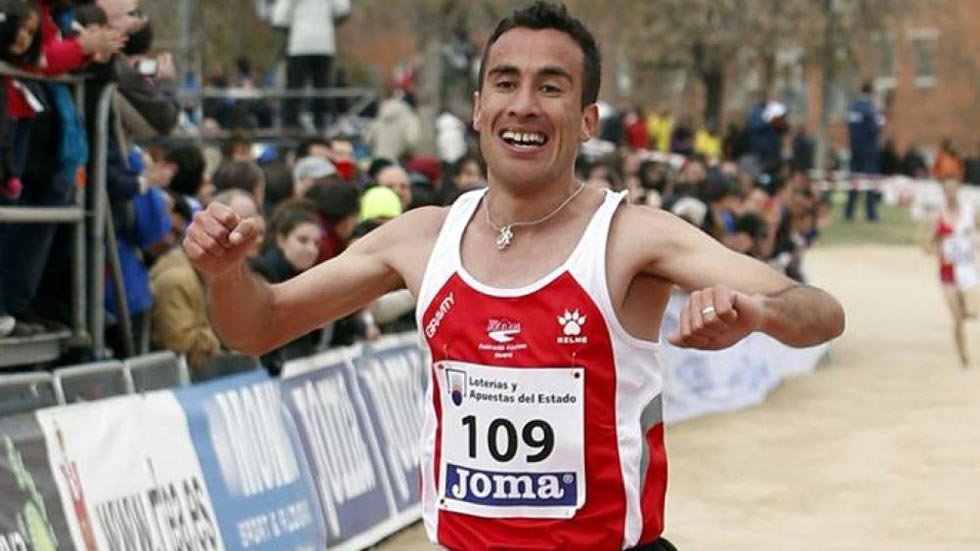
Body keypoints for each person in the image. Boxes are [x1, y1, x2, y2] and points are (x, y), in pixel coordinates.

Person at [184, 3, 845, 550]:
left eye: (551, 88)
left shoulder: (630, 238)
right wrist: (226, 273)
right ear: (478, 108)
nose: (523, 105)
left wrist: (759, 314)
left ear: (587, 120)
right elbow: (259, 325)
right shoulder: (420, 239)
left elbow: (818, 310)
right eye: (505, 83)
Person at [929, 179, 979, 367]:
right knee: (957, 319)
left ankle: (964, 310)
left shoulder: (969, 212)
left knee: (973, 312)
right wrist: (933, 241)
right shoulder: (939, 215)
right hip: (948, 271)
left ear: (958, 190)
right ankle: (963, 354)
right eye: (947, 191)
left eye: (953, 190)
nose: (950, 194)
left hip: (967, 269)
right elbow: (929, 243)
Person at [845, 82, 884, 221]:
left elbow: (850, 128)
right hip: (868, 151)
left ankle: (849, 212)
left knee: (853, 181)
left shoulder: (853, 108)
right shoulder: (871, 109)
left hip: (855, 150)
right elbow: (876, 129)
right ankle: (871, 212)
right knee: (870, 182)